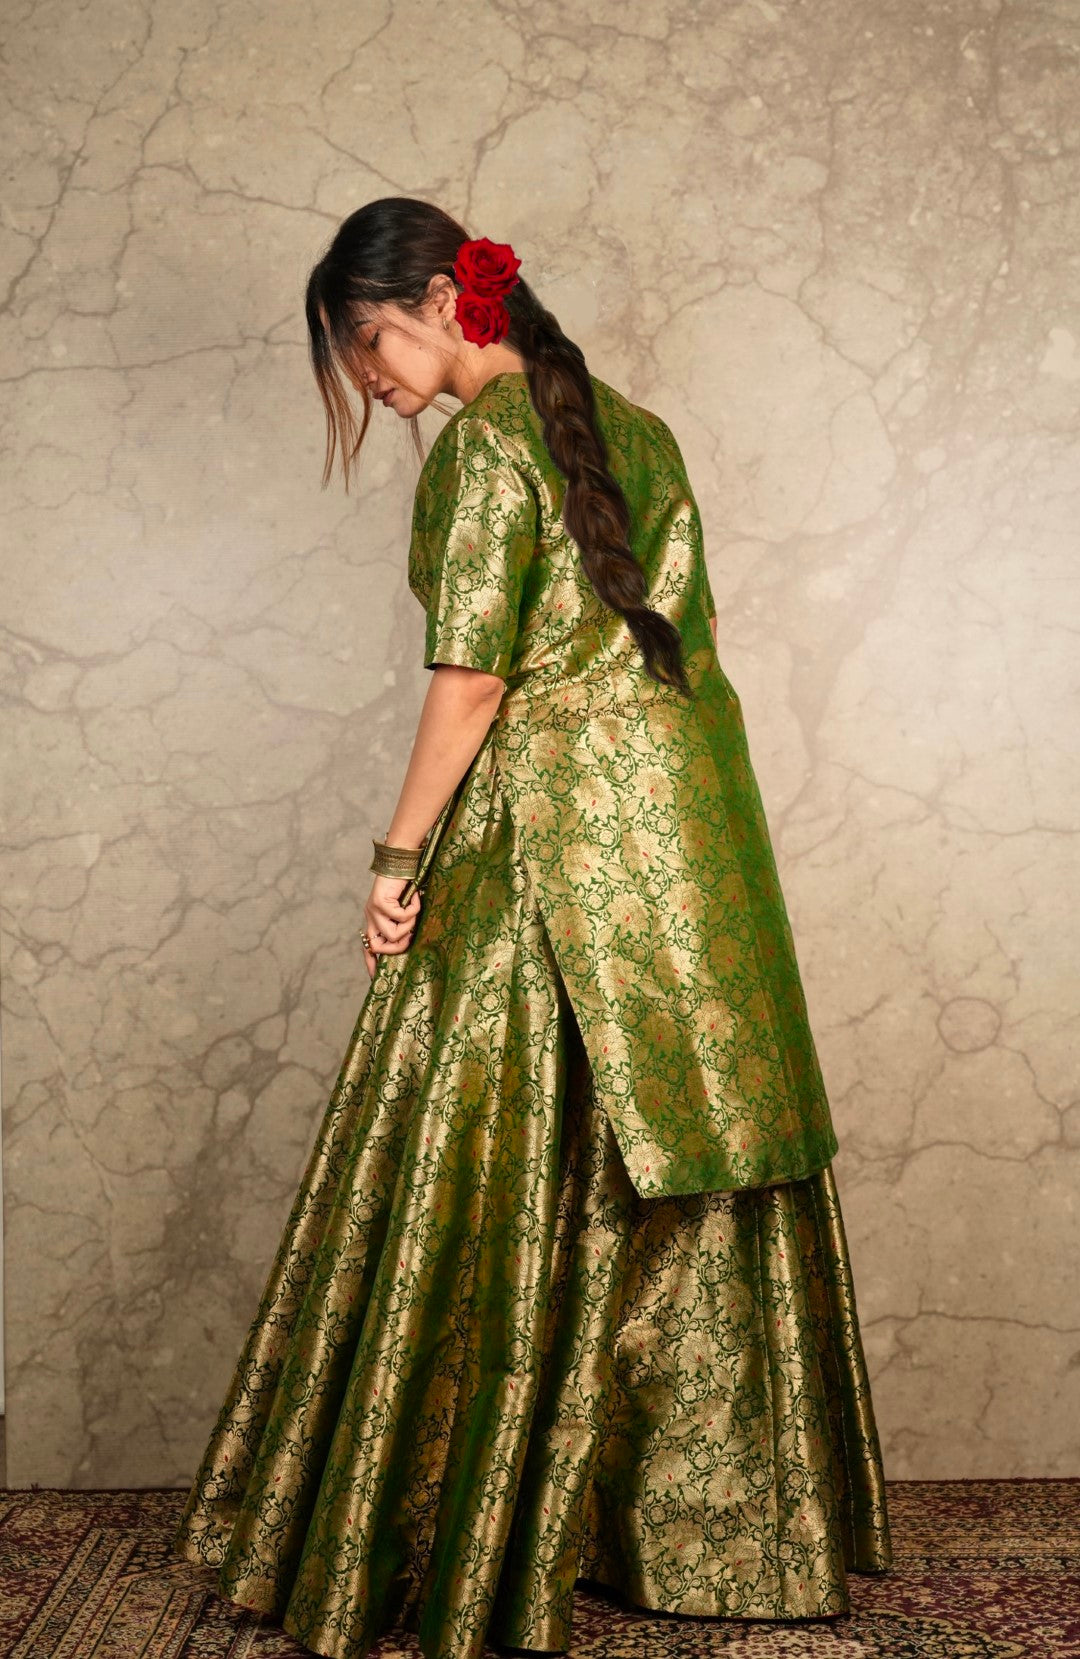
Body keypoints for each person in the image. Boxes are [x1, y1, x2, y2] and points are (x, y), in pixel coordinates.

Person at [172, 196, 892, 1659]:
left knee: (494, 1145)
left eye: (367, 340)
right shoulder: (644, 431)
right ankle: (708, 1533)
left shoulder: (485, 452)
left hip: (550, 840)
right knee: (669, 1143)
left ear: (445, 300)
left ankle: (472, 1532)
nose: (367, 376)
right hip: (688, 837)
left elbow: (476, 683)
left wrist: (396, 857)